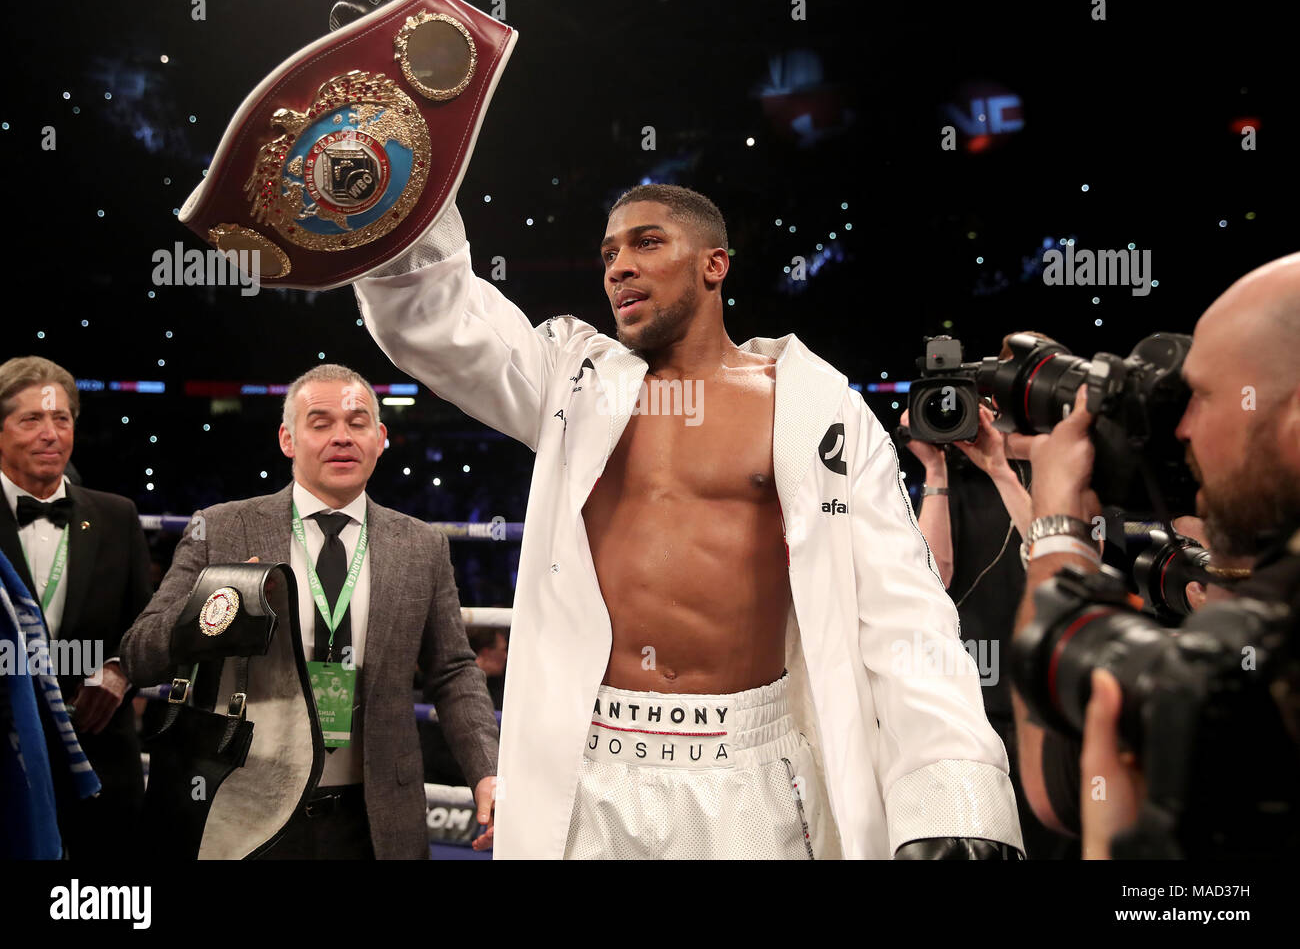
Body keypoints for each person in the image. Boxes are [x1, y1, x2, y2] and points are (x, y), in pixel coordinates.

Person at [353, 184, 1023, 859]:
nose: (618, 266)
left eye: (647, 242)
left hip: (753, 768)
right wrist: (395, 180)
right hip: (592, 765)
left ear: (714, 264)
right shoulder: (570, 382)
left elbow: (903, 608)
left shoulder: (819, 410)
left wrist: (954, 797)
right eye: (609, 251)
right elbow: (437, 319)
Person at [120, 364, 500, 858]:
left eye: (357, 422)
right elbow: (139, 655)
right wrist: (220, 601)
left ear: (380, 438)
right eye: (320, 423)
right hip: (247, 811)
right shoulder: (222, 529)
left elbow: (451, 670)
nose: (342, 437)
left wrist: (487, 771)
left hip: (375, 819)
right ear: (288, 439)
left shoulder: (420, 545)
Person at [1010, 252, 1300, 856]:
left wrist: (1059, 521)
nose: (1184, 430)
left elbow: (1058, 790)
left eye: (1202, 398)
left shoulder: (1245, 662)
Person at [900, 333, 1077, 859]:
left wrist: (1000, 469)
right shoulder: (950, 471)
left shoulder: (1063, 469)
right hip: (975, 699)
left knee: (1052, 838)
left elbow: (1058, 559)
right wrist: (934, 470)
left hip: (1044, 689)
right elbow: (935, 577)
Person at [0, 356, 152, 860]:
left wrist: (118, 669)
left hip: (99, 754)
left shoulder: (116, 515)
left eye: (61, 419)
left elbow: (144, 626)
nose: (50, 434)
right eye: (32, 419)